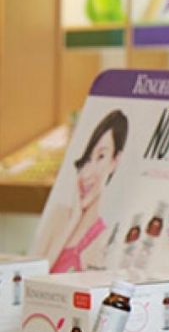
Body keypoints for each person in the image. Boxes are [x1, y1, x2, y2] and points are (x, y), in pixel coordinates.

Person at [35, 110, 128, 272]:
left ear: (115, 161)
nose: (87, 173)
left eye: (101, 156)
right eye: (87, 159)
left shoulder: (103, 239)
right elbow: (31, 276)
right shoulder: (59, 215)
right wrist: (73, 222)